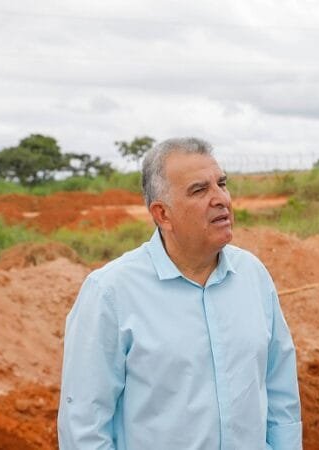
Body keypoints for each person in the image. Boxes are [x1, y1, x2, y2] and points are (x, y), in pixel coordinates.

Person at [58, 138, 302, 449]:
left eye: (221, 184)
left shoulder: (252, 276)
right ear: (162, 214)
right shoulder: (110, 293)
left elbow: (280, 390)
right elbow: (84, 425)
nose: (221, 199)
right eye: (199, 190)